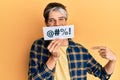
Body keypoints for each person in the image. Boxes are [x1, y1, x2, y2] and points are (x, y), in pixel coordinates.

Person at [28, 2, 116, 80]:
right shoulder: (38, 46)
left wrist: (113, 60)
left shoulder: (80, 51)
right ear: (46, 23)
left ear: (66, 21)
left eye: (61, 19)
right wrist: (53, 58)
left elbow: (103, 75)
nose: (57, 24)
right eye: (52, 20)